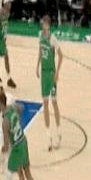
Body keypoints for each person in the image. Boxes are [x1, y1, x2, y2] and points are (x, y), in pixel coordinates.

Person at [0, 92, 42, 180]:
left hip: (17, 148)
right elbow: (22, 108)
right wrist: (19, 119)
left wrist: (0, 150)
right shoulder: (13, 108)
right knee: (28, 173)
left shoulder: (5, 122)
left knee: (18, 177)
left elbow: (6, 146)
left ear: (0, 104)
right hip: (23, 141)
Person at [36, 16, 63, 151]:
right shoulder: (40, 36)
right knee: (45, 104)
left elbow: (61, 56)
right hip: (44, 73)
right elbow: (40, 52)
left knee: (54, 102)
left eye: (44, 24)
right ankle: (48, 137)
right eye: (42, 24)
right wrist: (37, 66)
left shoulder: (53, 39)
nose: (42, 26)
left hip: (51, 73)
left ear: (48, 25)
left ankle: (58, 133)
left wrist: (57, 73)